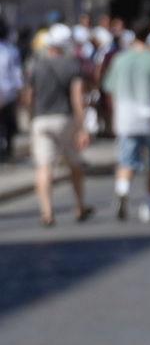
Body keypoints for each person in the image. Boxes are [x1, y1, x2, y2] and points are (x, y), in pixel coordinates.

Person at [27, 23, 93, 229]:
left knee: (44, 167)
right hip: (65, 119)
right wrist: (82, 126)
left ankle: (46, 211)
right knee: (74, 164)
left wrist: (31, 119)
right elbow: (77, 97)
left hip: (41, 119)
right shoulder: (72, 65)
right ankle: (80, 205)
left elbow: (29, 96)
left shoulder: (36, 65)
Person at [104, 31, 150, 223]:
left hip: (126, 116)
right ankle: (149, 206)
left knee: (126, 159)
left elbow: (110, 90)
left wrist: (113, 116)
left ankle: (122, 190)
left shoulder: (119, 60)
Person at [0, 25, 22, 163]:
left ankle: (6, 151)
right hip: (9, 93)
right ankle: (7, 151)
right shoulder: (10, 50)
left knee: (7, 124)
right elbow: (16, 74)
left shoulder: (10, 50)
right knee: (8, 125)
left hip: (8, 93)